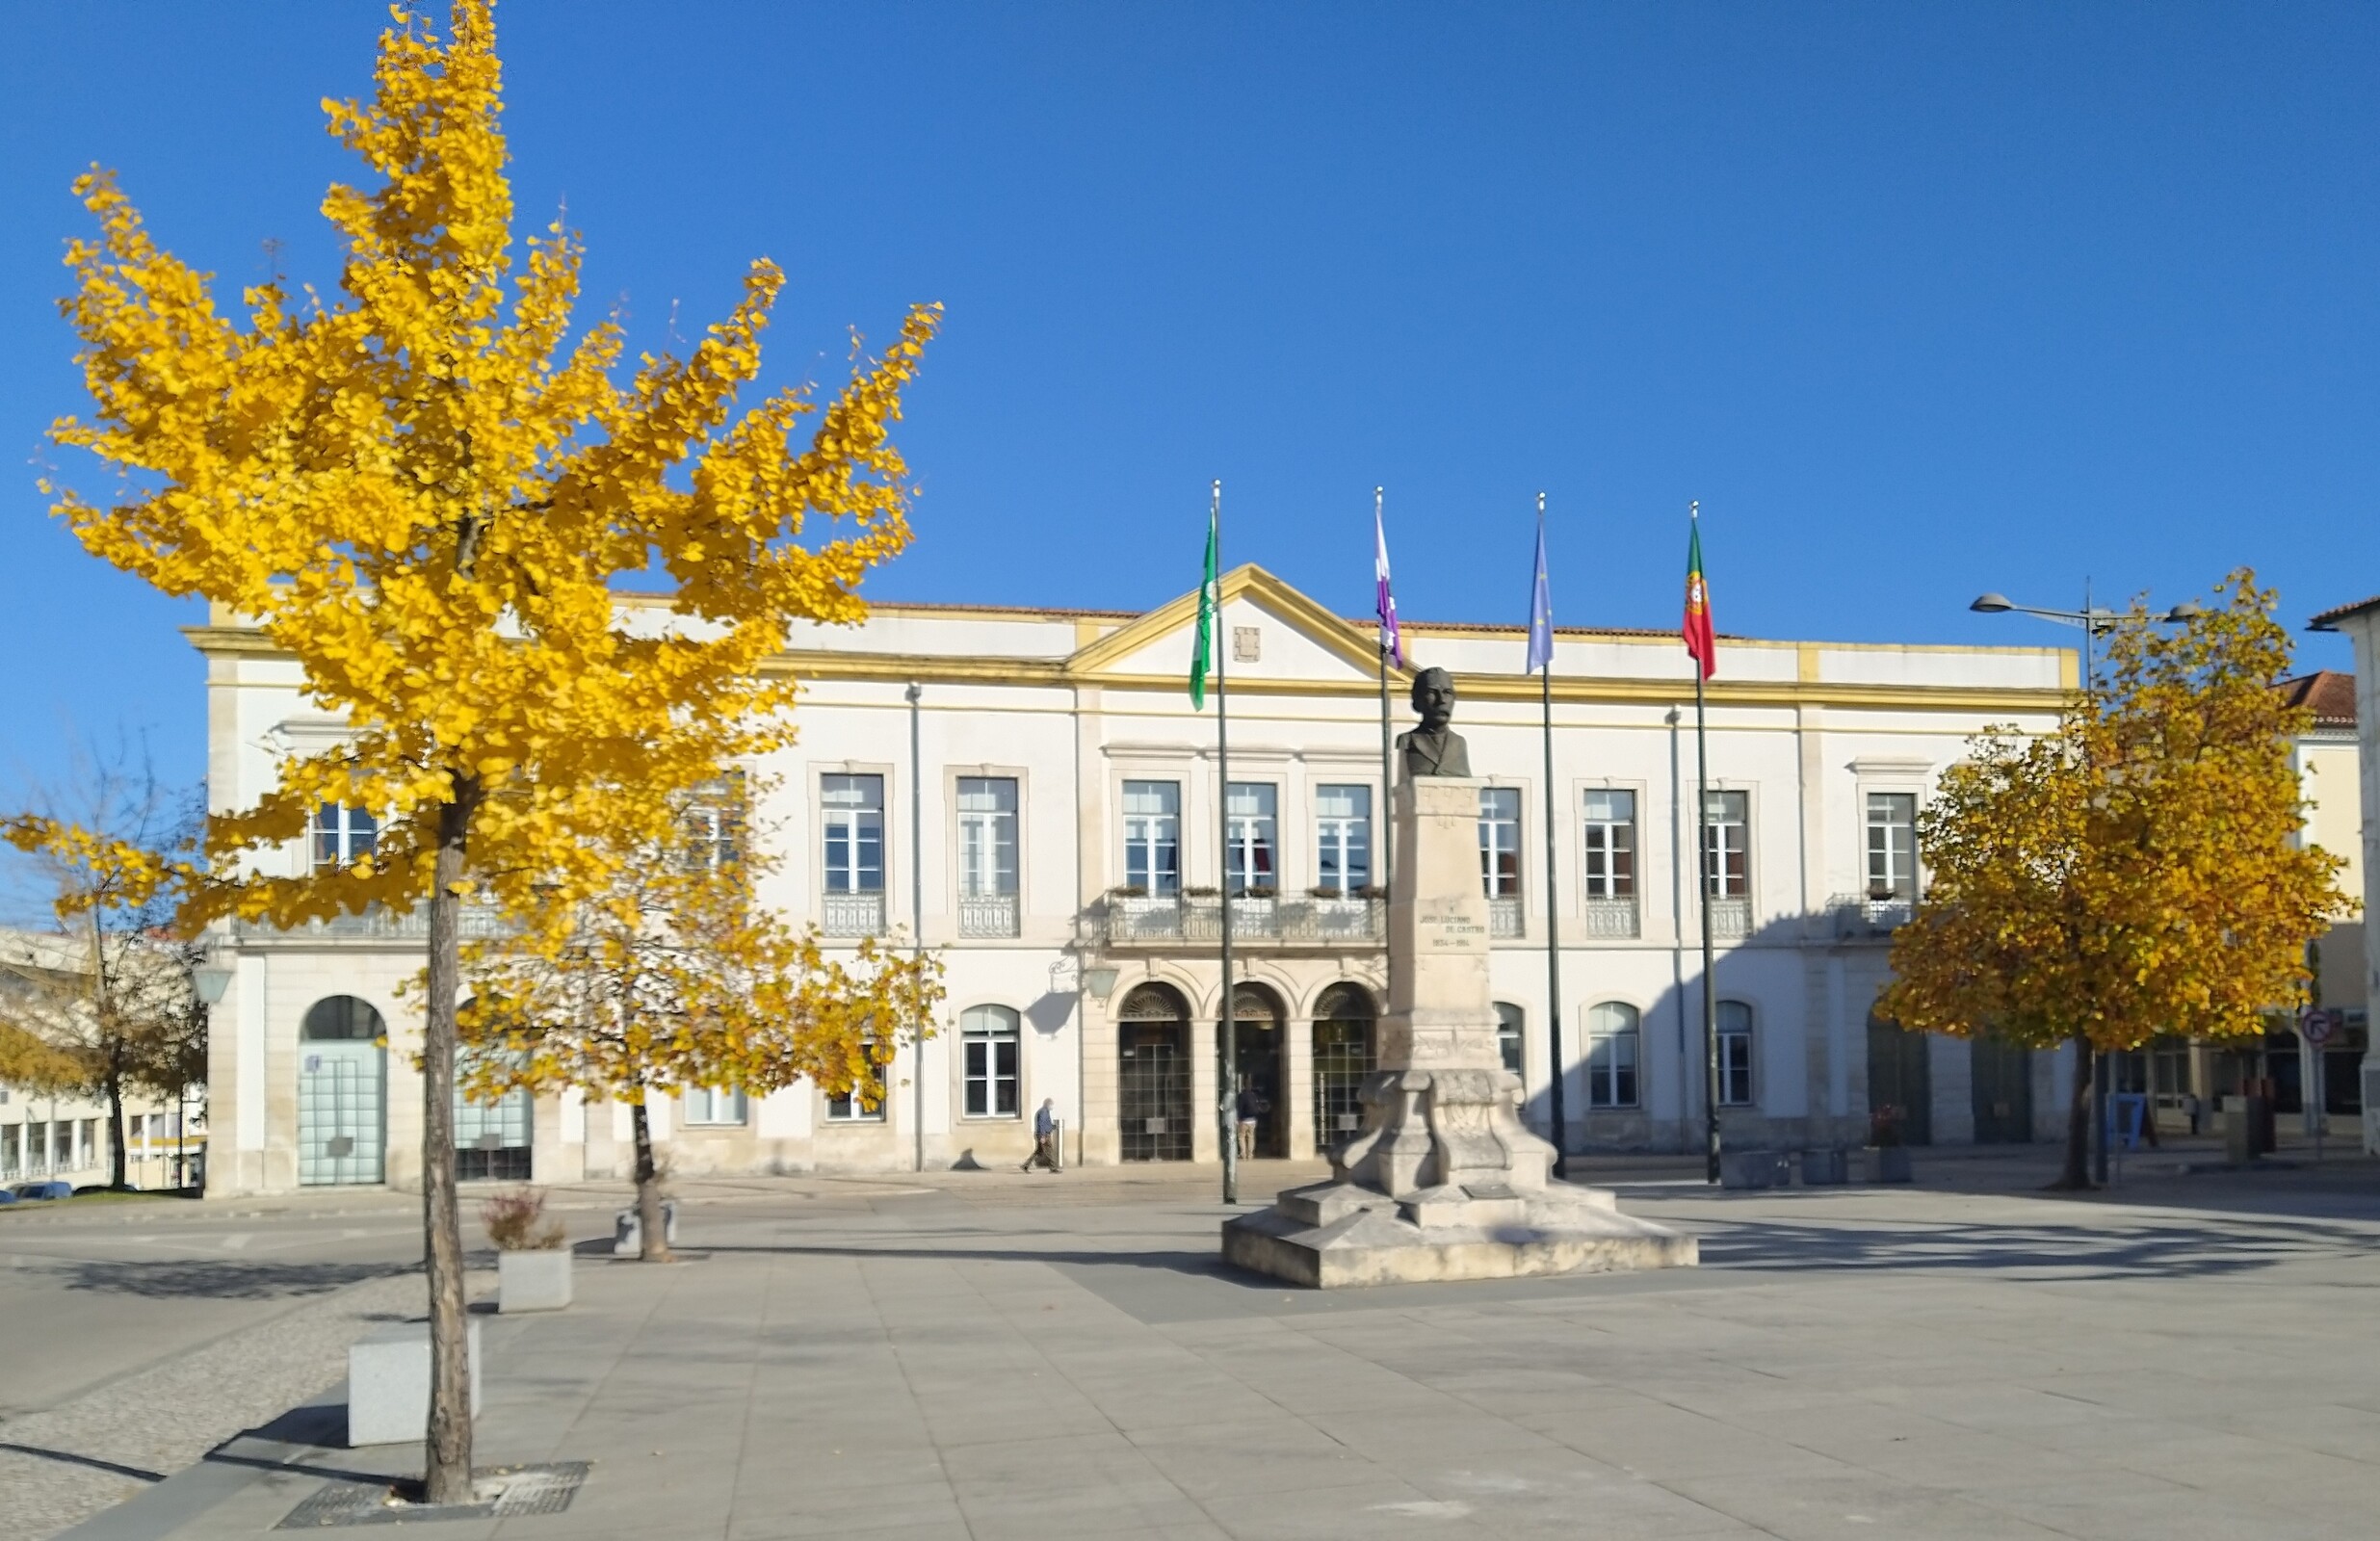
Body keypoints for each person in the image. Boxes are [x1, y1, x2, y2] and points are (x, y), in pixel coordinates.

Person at [1023, 1098, 1059, 1172]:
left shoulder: (1044, 1111)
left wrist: (1053, 1126)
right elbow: (1042, 1124)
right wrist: (1043, 1136)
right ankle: (1053, 1167)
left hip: (1042, 1134)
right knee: (1049, 1151)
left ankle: (1025, 1165)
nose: (1052, 1106)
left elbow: (1046, 1124)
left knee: (1038, 1151)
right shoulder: (1044, 1112)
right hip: (1044, 1135)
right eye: (1051, 1104)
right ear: (1048, 1104)